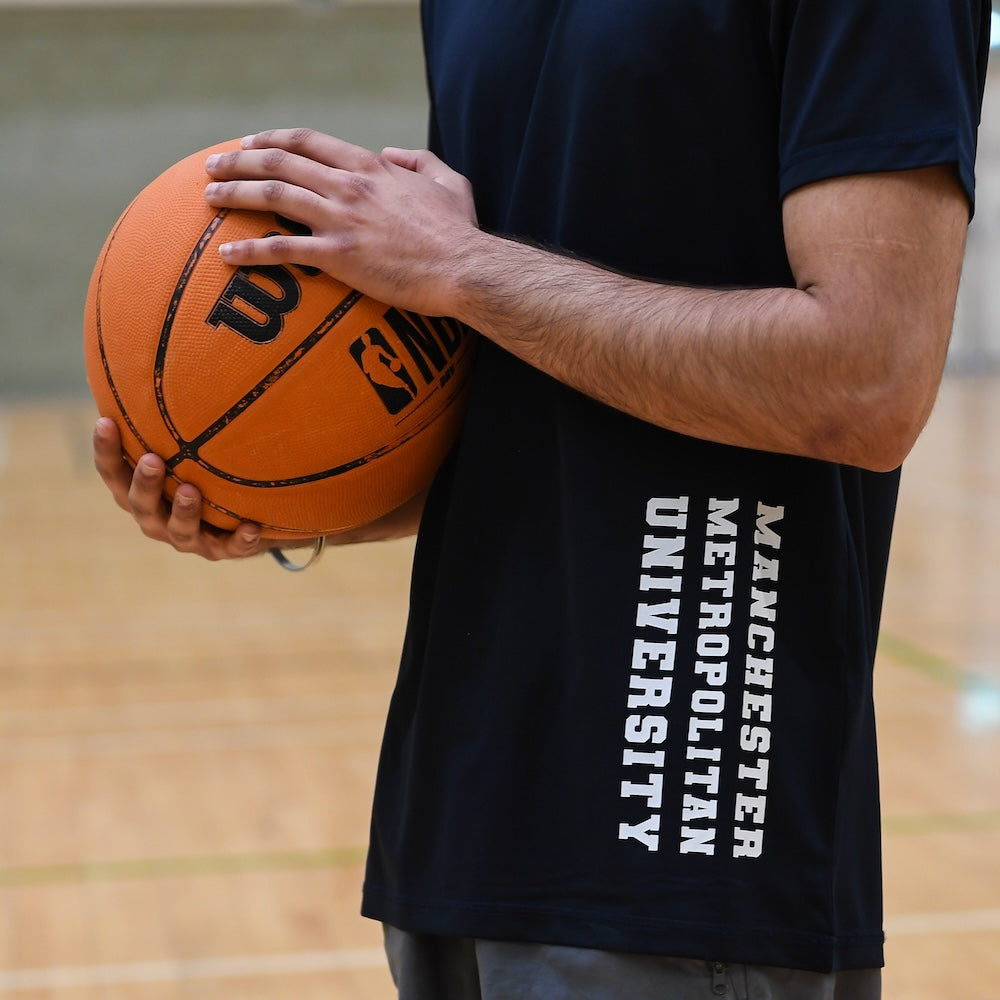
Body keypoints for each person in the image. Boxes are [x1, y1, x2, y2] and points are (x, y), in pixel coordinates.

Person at [94, 1, 991, 996]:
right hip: (457, 820)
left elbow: (866, 379)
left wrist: (459, 264)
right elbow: (516, 395)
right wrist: (265, 488)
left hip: (683, 810)